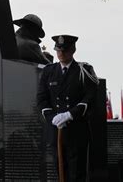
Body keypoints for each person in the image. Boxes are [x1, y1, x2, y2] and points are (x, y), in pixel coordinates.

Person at [37, 35, 98, 181]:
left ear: (73, 50)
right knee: (60, 171)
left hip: (76, 131)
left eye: (65, 51)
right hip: (56, 130)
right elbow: (41, 99)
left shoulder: (84, 70)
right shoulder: (49, 71)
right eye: (58, 50)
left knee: (76, 174)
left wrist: (70, 115)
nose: (61, 54)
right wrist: (53, 118)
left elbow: (90, 97)